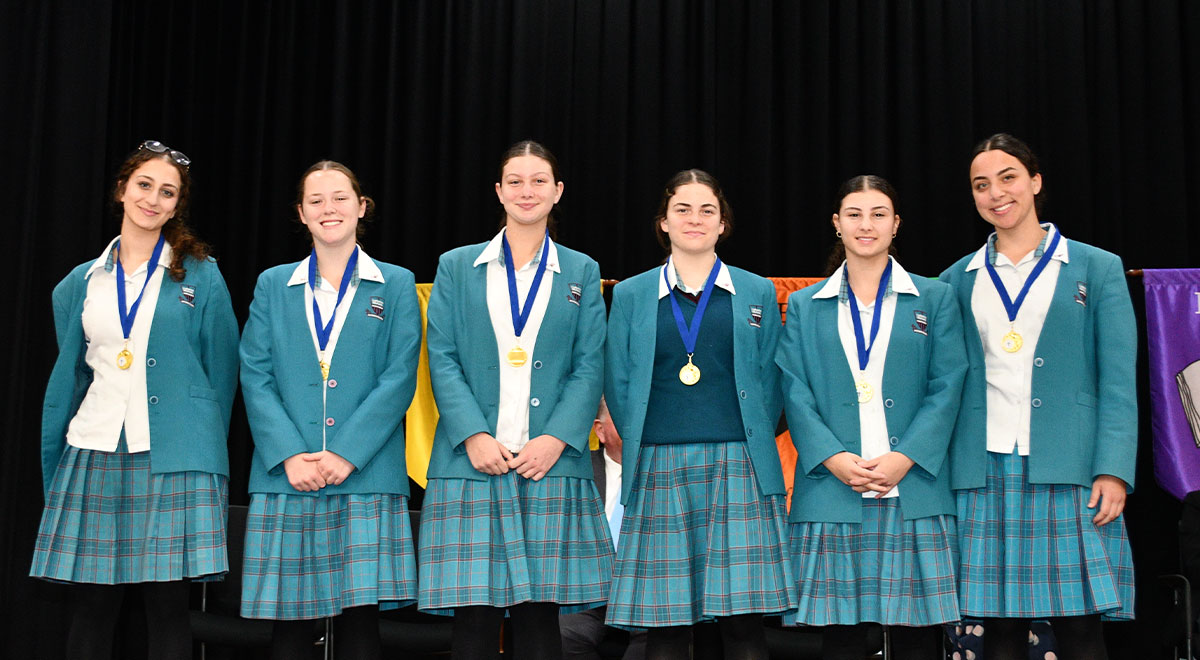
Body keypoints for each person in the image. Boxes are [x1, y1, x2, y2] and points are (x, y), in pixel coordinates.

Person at [32, 140, 238, 660]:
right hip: (95, 449)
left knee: (167, 606)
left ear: (176, 207)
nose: (154, 198)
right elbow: (74, 374)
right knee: (93, 608)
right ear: (123, 189)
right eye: (145, 185)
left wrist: (202, 446)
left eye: (167, 192)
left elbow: (222, 371)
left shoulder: (201, 274)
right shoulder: (78, 284)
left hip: (172, 455)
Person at [942, 133, 1137, 660]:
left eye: (1007, 177)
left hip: (1069, 467)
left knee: (1079, 627)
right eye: (981, 185)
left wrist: (1113, 469)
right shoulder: (956, 279)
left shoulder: (1097, 268)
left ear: (1035, 181)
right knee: (998, 629)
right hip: (982, 469)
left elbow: (1118, 379)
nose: (995, 193)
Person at [419, 140, 613, 660]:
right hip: (472, 463)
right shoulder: (457, 266)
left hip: (546, 463)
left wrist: (556, 438)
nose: (528, 191)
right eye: (516, 181)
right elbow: (442, 357)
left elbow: (590, 363)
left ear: (558, 192)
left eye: (539, 181)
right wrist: (472, 434)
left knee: (540, 620)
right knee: (474, 621)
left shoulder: (581, 271)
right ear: (499, 192)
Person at [604, 169, 795, 660]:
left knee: (743, 627)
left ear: (723, 223)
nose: (695, 219)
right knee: (666, 629)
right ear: (663, 222)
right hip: (657, 467)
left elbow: (775, 378)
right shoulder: (630, 294)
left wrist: (747, 438)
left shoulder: (755, 292)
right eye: (682, 210)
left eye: (706, 210)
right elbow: (619, 380)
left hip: (741, 467)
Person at [775, 175, 967, 659]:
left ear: (896, 224)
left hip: (913, 488)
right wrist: (831, 457)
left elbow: (948, 385)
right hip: (833, 487)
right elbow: (792, 390)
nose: (867, 225)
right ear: (836, 224)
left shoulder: (936, 297)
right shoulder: (802, 305)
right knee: (839, 638)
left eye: (879, 214)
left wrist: (907, 456)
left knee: (918, 638)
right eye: (855, 215)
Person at [239, 160, 421, 660]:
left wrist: (347, 453)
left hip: (365, 474)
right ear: (300, 213)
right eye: (316, 200)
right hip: (288, 476)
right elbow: (255, 374)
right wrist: (290, 455)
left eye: (340, 198)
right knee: (289, 632)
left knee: (362, 629)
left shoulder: (398, 284)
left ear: (362, 208)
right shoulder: (274, 284)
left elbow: (399, 377)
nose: (329, 209)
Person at [560, 397, 647, 660]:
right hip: (590, 590)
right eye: (624, 418)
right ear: (600, 430)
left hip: (646, 590)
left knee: (661, 637)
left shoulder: (661, 469)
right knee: (562, 634)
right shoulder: (576, 472)